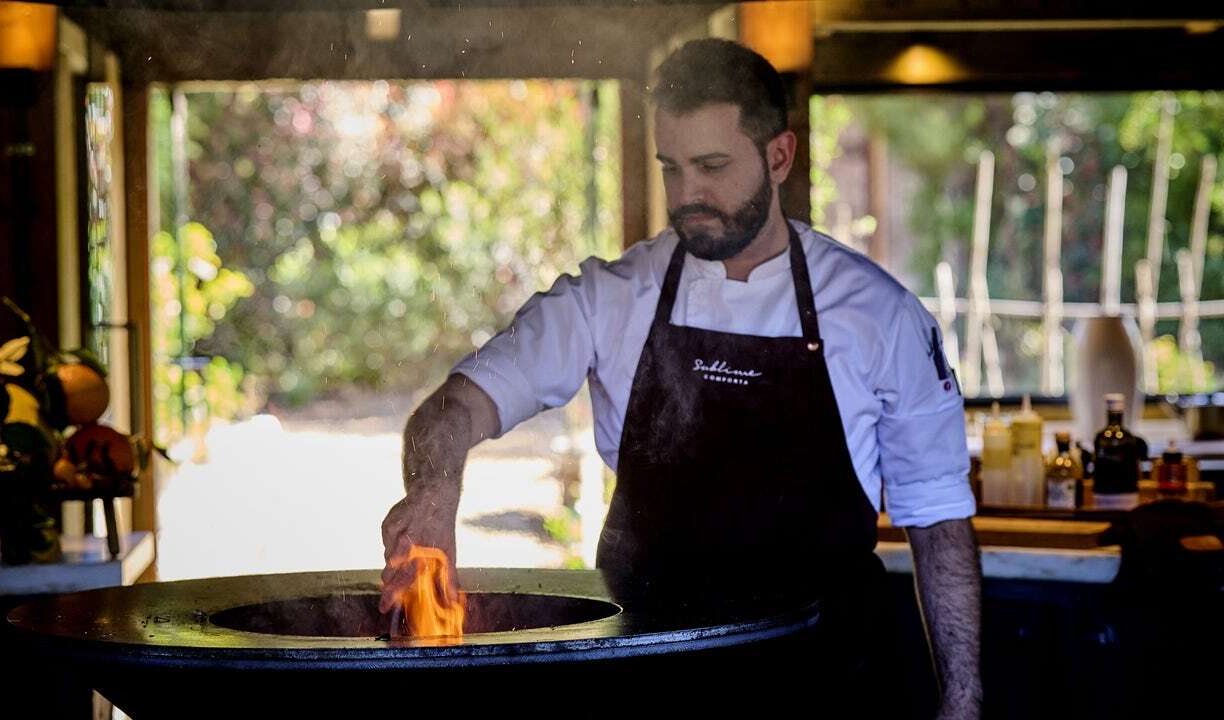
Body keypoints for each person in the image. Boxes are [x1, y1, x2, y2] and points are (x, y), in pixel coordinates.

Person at [380, 38, 981, 718]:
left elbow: (939, 522)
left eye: (713, 166)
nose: (688, 195)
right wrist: (434, 492)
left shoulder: (880, 315)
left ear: (778, 156)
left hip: (826, 682)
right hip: (649, 683)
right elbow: (452, 409)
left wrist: (963, 702)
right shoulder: (609, 297)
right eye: (672, 168)